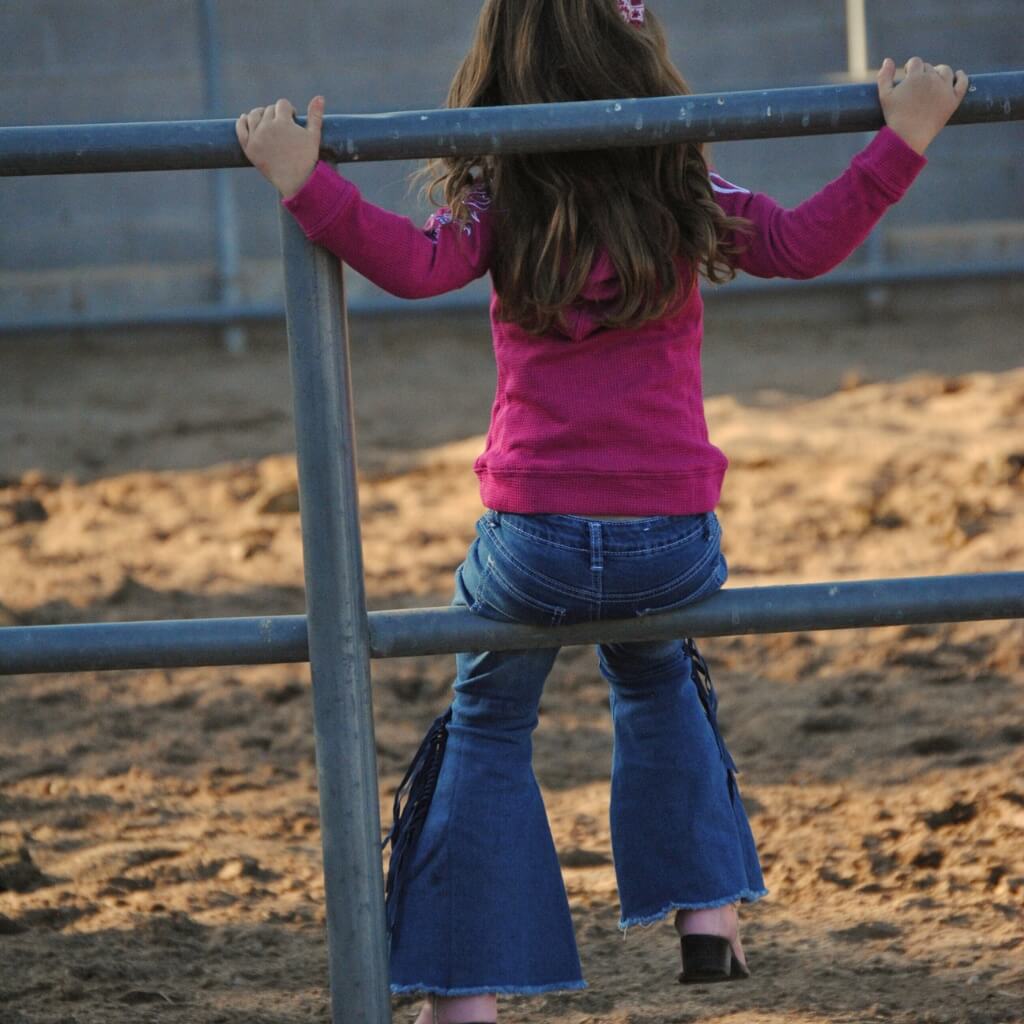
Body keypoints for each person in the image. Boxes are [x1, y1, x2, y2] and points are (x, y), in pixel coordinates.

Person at [236, 2, 968, 1020]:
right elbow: (802, 244)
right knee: (659, 664)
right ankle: (706, 913)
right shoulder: (678, 181)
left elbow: (413, 264)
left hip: (532, 534)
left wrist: (304, 184)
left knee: (490, 719)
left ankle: (466, 991)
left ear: (502, 72)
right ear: (636, 55)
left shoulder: (503, 187)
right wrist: (904, 141)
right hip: (667, 534)